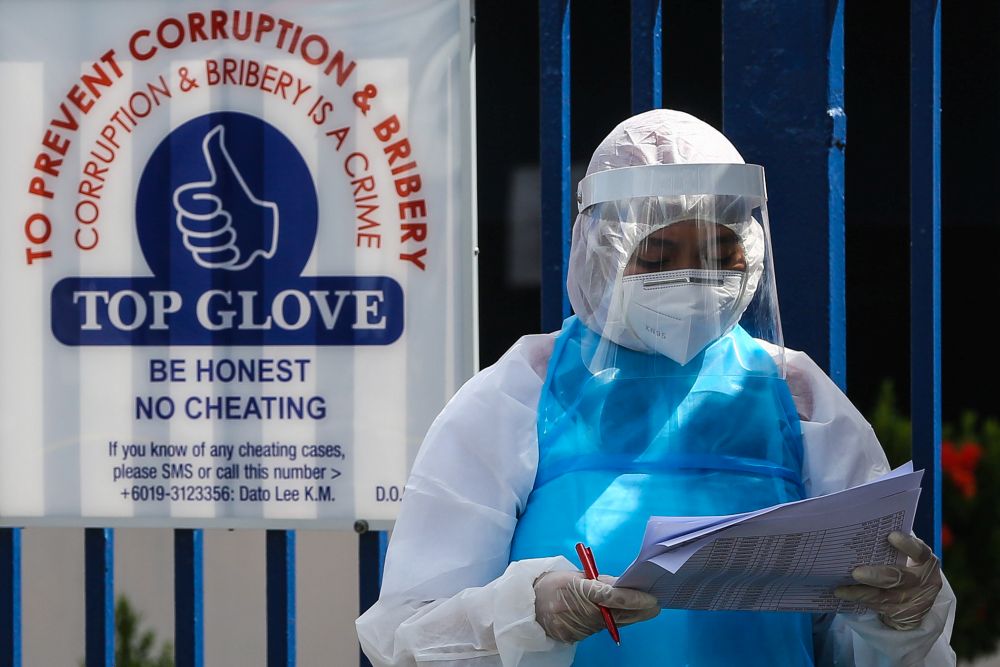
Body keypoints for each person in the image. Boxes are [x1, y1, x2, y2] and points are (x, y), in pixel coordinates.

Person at [356, 109, 956, 666]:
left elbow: (857, 640)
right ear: (601, 251)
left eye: (721, 253)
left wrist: (901, 615)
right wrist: (529, 611)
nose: (694, 278)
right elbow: (409, 633)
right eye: (659, 253)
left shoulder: (799, 396)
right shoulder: (519, 393)